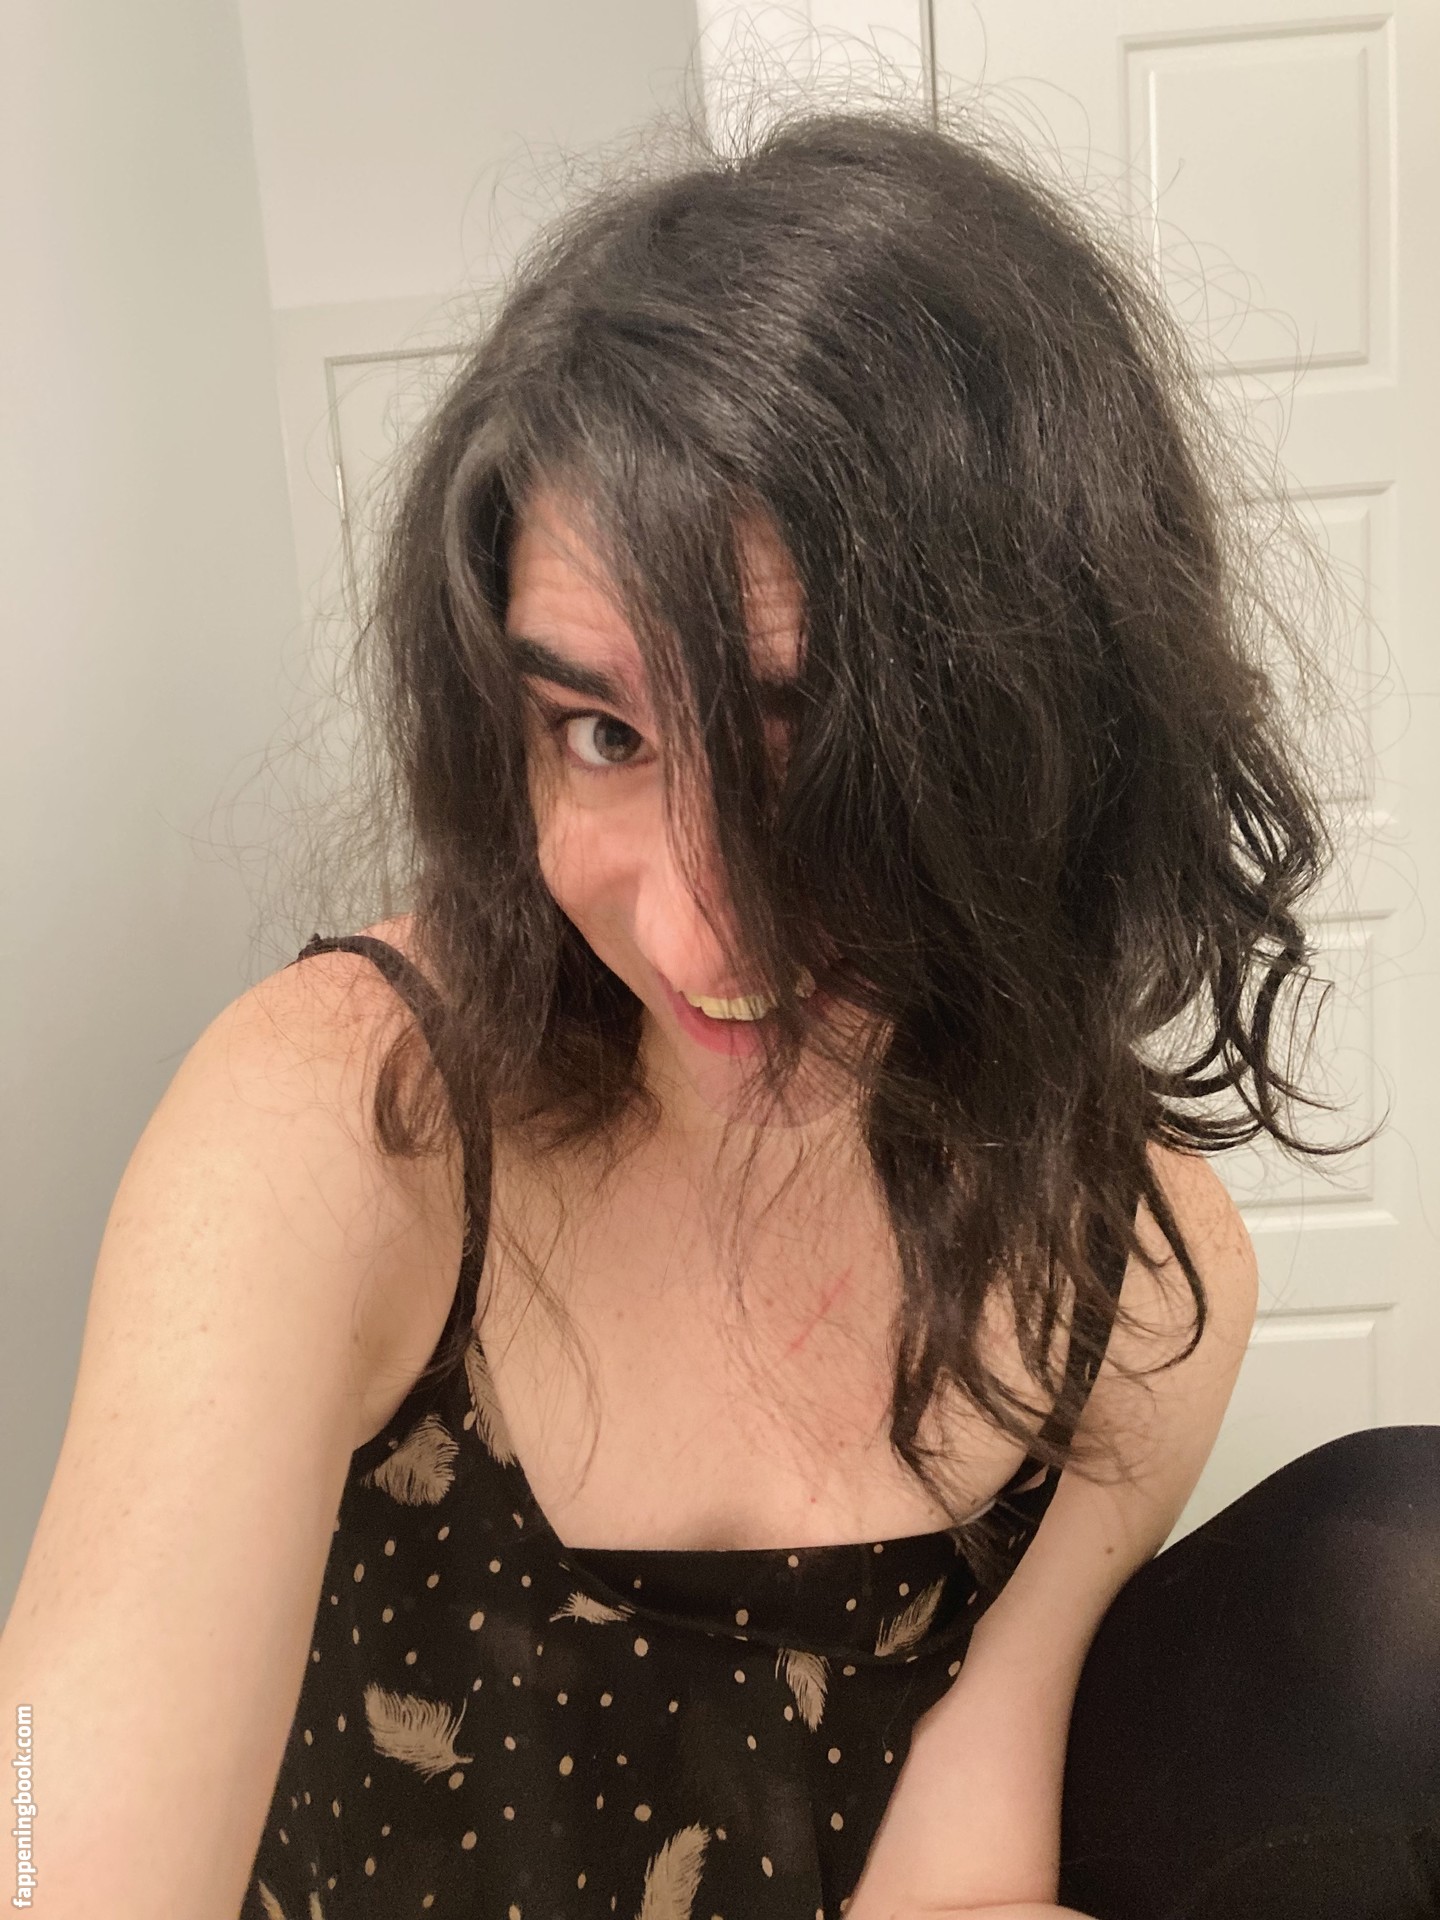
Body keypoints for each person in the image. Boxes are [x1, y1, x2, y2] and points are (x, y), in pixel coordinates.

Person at [3, 99, 1436, 1920]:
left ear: (1056, 731)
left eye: (808, 750)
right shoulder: (345, 1127)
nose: (691, 923)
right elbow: (48, 1839)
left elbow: (957, 1873)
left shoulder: (1136, 1280)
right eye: (601, 731)